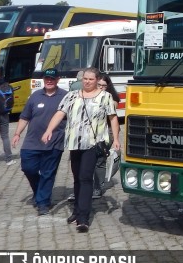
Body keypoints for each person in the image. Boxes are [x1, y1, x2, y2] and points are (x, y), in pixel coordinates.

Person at [42, 67, 121, 233]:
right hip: (74, 142)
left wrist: (116, 140)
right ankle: (77, 211)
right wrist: (49, 130)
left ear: (96, 80)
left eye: (91, 79)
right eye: (85, 78)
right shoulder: (71, 95)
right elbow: (59, 113)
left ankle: (83, 218)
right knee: (77, 178)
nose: (87, 82)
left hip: (93, 143)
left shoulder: (105, 97)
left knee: (85, 178)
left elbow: (113, 118)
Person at [11, 68, 67, 215]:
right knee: (28, 168)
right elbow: (25, 117)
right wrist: (17, 133)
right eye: (46, 78)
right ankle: (39, 192)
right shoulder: (35, 96)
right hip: (32, 141)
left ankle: (43, 203)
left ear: (58, 80)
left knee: (48, 173)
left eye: (52, 79)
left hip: (55, 141)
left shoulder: (65, 96)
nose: (49, 81)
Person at [93, 73, 120, 197]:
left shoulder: (111, 98)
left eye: (104, 85)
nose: (101, 87)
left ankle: (98, 186)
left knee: (99, 159)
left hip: (107, 133)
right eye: (99, 85)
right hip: (91, 133)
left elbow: (110, 115)